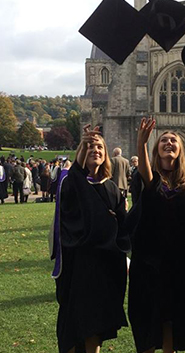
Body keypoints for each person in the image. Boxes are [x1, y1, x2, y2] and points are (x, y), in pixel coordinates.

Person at [51, 124, 130, 353]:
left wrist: (114, 223)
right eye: (89, 147)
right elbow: (68, 214)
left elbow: (123, 225)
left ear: (106, 154)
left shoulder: (112, 188)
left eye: (99, 147)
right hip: (77, 263)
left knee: (96, 321)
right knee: (74, 319)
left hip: (103, 265)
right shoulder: (71, 183)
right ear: (81, 153)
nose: (95, 150)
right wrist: (84, 143)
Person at [127, 118, 185, 353]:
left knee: (172, 320)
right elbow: (150, 182)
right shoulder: (148, 180)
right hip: (148, 261)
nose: (169, 143)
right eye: (164, 140)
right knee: (146, 318)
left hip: (179, 263)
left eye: (173, 140)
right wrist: (141, 144)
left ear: (181, 149)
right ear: (156, 148)